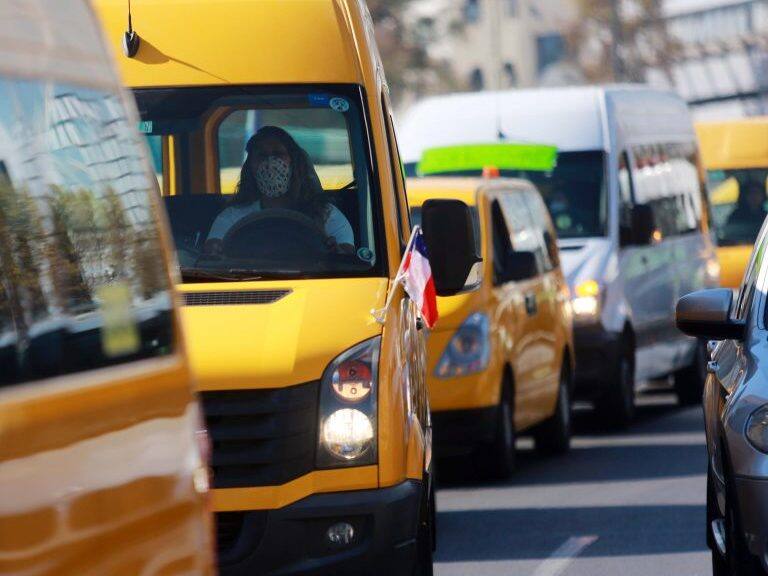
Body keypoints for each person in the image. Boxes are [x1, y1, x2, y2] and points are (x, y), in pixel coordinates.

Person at [204, 126, 354, 255]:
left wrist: (335, 250)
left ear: (294, 162)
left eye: (278, 154)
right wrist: (215, 249)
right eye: (262, 155)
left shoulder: (325, 214)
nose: (270, 162)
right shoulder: (232, 216)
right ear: (250, 166)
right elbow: (213, 251)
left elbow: (347, 257)